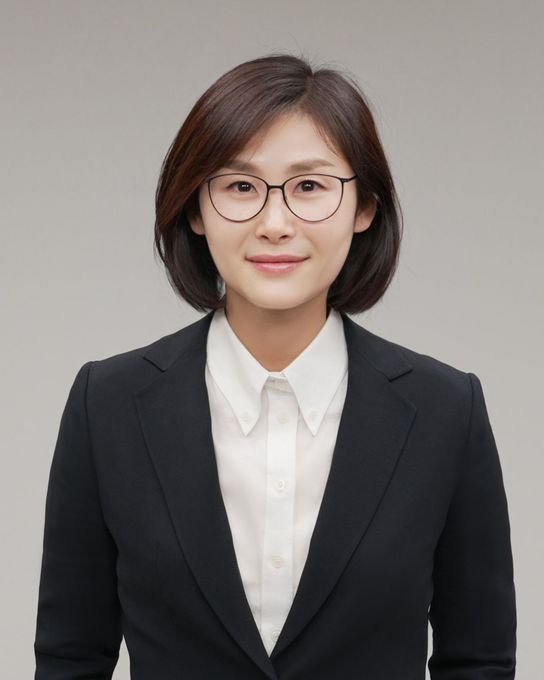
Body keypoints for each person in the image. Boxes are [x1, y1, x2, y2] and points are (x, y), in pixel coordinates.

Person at [33, 53, 517, 679]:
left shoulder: (447, 411)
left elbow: (478, 661)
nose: (275, 223)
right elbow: (71, 657)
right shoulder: (107, 405)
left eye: (310, 186)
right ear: (195, 210)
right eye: (240, 187)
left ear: (364, 207)